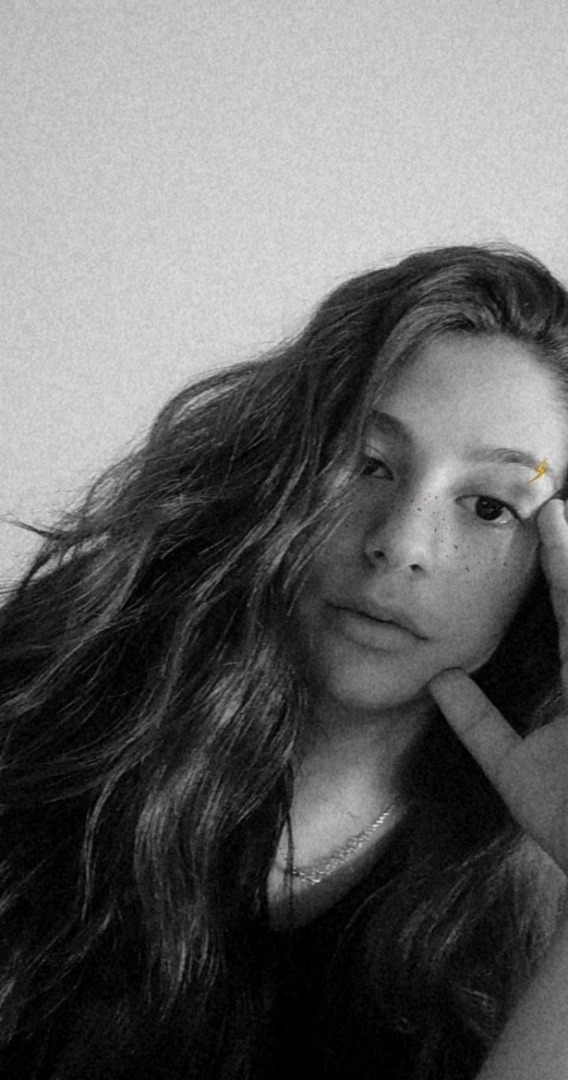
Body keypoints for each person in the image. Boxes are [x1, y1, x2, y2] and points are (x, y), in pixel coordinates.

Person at [1, 244, 568, 1080]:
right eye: (368, 464)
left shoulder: (531, 885)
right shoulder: (47, 708)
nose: (401, 543)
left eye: (489, 506)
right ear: (286, 469)